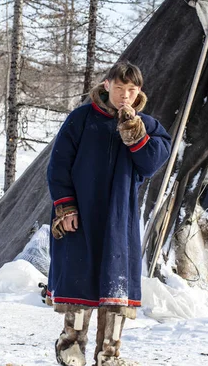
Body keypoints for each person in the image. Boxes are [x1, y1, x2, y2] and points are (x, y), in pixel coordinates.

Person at [46, 61, 171, 366]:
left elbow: (150, 163)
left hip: (119, 220)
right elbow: (58, 166)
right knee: (79, 279)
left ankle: (110, 355)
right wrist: (66, 207)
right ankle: (71, 347)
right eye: (119, 88)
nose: (124, 95)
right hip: (81, 215)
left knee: (116, 286)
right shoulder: (82, 119)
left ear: (138, 91)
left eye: (131, 89)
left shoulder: (150, 126)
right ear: (106, 85)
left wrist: (133, 131)